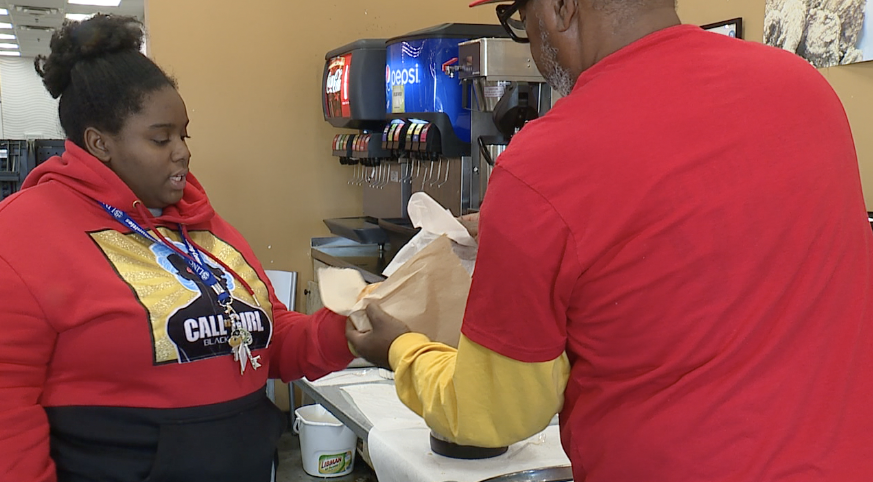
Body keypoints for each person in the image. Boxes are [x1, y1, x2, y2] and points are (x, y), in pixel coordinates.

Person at [346, 0, 873, 481]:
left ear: (559, 7)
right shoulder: (805, 90)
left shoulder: (544, 166)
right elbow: (707, 253)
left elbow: (495, 412)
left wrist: (398, 350)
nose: (527, 39)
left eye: (520, 16)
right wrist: (533, 242)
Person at [0, 15, 353, 482]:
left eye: (184, 135)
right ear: (99, 143)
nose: (183, 151)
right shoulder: (24, 233)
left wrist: (349, 332)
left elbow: (271, 337)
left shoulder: (203, 225)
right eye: (160, 138)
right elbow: (6, 411)